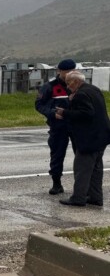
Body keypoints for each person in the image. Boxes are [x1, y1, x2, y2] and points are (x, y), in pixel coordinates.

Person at [55, 71, 110, 207]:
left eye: (69, 83)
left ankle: (78, 198)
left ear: (76, 82)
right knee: (96, 168)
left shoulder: (81, 94)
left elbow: (87, 113)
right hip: (101, 136)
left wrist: (65, 112)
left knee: (82, 168)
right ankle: (95, 197)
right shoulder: (93, 89)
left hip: (89, 138)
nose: (67, 86)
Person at [35, 59, 76, 194]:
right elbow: (39, 104)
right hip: (58, 125)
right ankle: (56, 183)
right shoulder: (50, 86)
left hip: (76, 125)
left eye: (72, 71)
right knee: (57, 154)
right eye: (67, 72)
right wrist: (52, 113)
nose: (70, 74)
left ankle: (82, 184)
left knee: (82, 154)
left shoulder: (78, 85)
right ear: (60, 71)